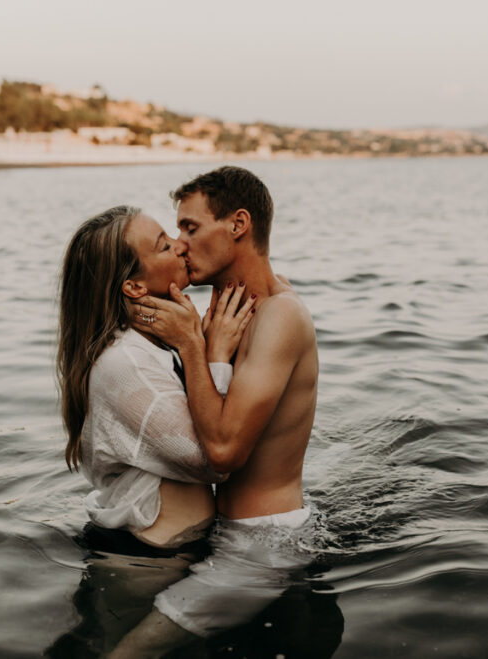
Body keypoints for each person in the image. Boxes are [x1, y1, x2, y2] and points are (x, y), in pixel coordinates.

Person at [114, 166, 320, 649]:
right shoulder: (230, 311)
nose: (180, 244)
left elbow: (224, 452)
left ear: (238, 224)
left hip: (264, 545)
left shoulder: (280, 315)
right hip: (223, 534)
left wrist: (191, 345)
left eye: (190, 227)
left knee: (130, 651)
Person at [57, 204, 256, 552]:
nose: (180, 245)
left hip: (176, 548)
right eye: (164, 245)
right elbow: (213, 462)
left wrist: (196, 343)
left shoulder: (149, 347)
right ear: (133, 286)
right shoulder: (125, 362)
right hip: (145, 558)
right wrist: (207, 353)